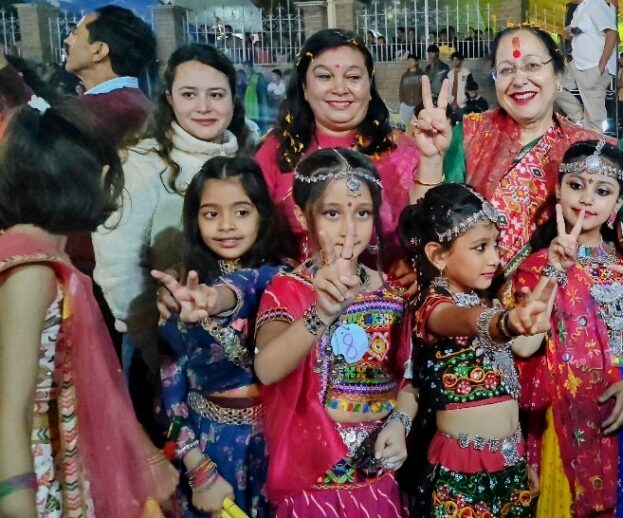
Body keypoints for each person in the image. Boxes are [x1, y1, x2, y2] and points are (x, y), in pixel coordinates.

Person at [0, 102, 177, 518]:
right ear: (98, 178)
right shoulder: (32, 273)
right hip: (32, 476)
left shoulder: (36, 260)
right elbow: (9, 411)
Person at [412, 25, 623, 284]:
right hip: (474, 306)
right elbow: (427, 226)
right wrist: (431, 159)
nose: (519, 80)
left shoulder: (592, 149)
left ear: (558, 75)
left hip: (563, 301)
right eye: (506, 70)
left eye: (532, 66)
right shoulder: (469, 135)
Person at [254, 149, 416, 514]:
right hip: (311, 486)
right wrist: (321, 313)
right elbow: (267, 368)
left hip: (376, 484)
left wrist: (400, 423)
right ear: (302, 215)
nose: (349, 230)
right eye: (332, 213)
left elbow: (409, 379)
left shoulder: (391, 293)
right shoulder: (287, 289)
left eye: (362, 213)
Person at [513, 141, 623, 516]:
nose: (587, 198)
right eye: (576, 185)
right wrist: (555, 270)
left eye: (602, 191)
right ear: (558, 190)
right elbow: (523, 345)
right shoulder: (538, 265)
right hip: (567, 414)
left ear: (617, 204)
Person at [92, 44, 249, 418]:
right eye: (189, 95)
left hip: (236, 340)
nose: (204, 107)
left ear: (233, 98)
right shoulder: (141, 163)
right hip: (160, 345)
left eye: (216, 95)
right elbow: (118, 268)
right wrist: (151, 338)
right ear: (169, 99)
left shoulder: (245, 155)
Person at [399, 183, 551, 516]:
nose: (495, 258)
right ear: (438, 255)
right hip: (462, 475)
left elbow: (527, 342)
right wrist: (506, 323)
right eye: (480, 247)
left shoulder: (485, 302)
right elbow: (465, 320)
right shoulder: (433, 308)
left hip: (509, 462)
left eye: (495, 245)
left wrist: (554, 271)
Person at [152, 157, 292, 517]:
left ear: (262, 215)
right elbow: (170, 393)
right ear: (195, 220)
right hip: (211, 447)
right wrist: (198, 469)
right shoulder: (182, 292)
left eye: (241, 212)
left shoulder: (284, 279)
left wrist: (215, 299)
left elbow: (247, 285)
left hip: (280, 442)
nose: (226, 225)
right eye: (211, 214)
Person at [255, 29, 419, 268]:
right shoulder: (279, 149)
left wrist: (416, 265)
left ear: (369, 85)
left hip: (386, 287)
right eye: (324, 76)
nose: (340, 88)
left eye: (353, 77)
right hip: (292, 286)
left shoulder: (400, 150)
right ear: (304, 87)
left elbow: (426, 230)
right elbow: (251, 231)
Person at [0, 5, 155, 146]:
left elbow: (42, 136)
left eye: (75, 34)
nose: (67, 40)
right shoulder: (134, 100)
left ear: (98, 51)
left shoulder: (98, 110)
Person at [563, 0, 618, 132]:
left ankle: (597, 143)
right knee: (552, 84)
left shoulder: (596, 3)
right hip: (577, 65)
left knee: (595, 120)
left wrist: (601, 66)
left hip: (592, 68)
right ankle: (579, 118)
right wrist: (569, 32)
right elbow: (570, 34)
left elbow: (612, 34)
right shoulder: (579, 8)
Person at [242, 62, 269, 133]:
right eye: (244, 68)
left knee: (259, 122)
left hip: (257, 103)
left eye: (247, 67)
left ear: (251, 68)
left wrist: (250, 83)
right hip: (248, 104)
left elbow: (261, 88)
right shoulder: (244, 77)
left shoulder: (258, 76)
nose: (246, 69)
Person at [399, 53, 424, 126]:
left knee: (418, 125)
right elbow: (401, 89)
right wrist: (402, 101)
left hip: (418, 104)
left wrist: (422, 102)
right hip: (406, 104)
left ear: (416, 62)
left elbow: (425, 89)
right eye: (408, 61)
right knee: (405, 124)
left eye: (412, 60)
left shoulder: (422, 74)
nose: (409, 62)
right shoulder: (405, 75)